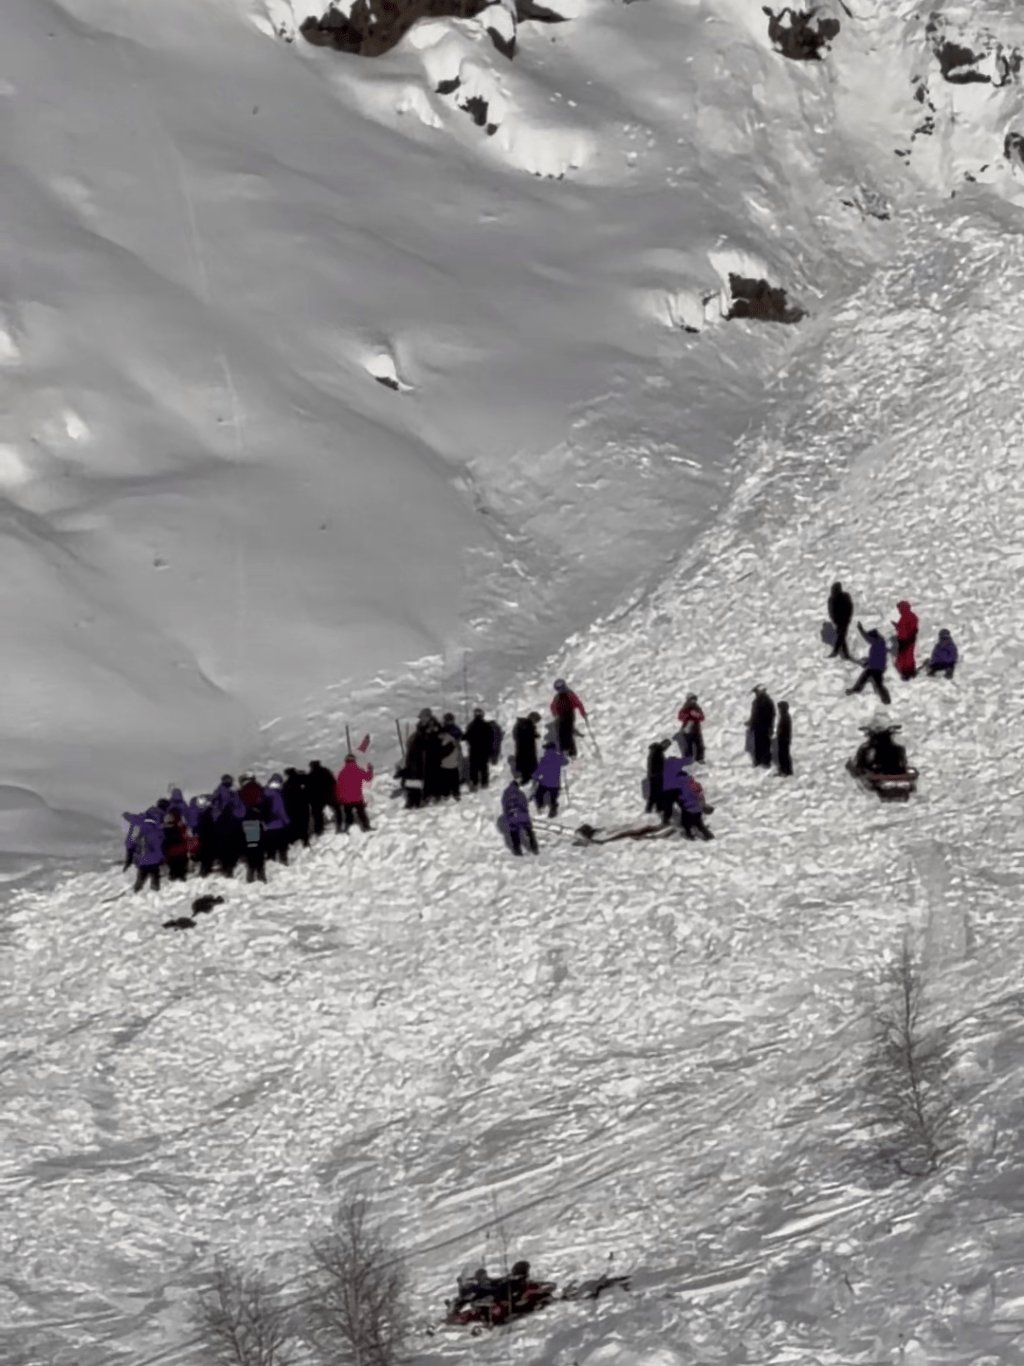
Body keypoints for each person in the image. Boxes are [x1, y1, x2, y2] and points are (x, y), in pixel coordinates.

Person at [846, 623, 892, 704]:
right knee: (877, 683)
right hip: (877, 667)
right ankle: (885, 698)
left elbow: (867, 638)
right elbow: (884, 652)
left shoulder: (877, 641)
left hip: (875, 667)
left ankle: (856, 690)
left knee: (867, 678)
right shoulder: (881, 642)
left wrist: (860, 629)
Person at [127, 809, 165, 893]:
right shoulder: (154, 833)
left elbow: (137, 848)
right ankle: (155, 892)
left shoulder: (141, 833)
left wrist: (136, 860)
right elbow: (157, 848)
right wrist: (161, 858)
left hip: (143, 861)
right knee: (155, 878)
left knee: (141, 879)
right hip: (154, 861)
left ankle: (136, 890)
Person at [550, 679, 587, 758]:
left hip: (568, 715)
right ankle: (564, 749)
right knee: (561, 730)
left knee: (567, 732)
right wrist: (555, 714)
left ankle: (571, 753)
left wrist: (583, 713)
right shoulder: (559, 696)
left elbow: (578, 704)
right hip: (561, 716)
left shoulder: (569, 694)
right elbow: (553, 706)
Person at [336, 753, 373, 831]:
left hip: (346, 799)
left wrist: (340, 798)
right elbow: (368, 778)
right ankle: (366, 827)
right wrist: (370, 769)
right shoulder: (358, 770)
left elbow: (338, 787)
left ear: (346, 761)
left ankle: (348, 829)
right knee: (361, 814)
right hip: (357, 797)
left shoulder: (342, 773)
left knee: (348, 815)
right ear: (354, 760)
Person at [501, 778, 539, 856]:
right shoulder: (520, 793)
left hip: (512, 816)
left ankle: (517, 850)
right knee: (529, 831)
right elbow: (525, 803)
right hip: (522, 815)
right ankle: (534, 847)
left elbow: (504, 805)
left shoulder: (505, 794)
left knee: (514, 833)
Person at [532, 741, 568, 818]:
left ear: (548, 749)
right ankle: (553, 807)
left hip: (545, 782)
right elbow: (566, 762)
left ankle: (540, 806)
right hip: (556, 783)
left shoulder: (544, 759)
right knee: (553, 797)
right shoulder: (558, 757)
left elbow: (539, 771)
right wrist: (563, 755)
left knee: (538, 794)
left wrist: (536, 778)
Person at [262, 774, 292, 863]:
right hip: (278, 824)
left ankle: (271, 860)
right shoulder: (277, 794)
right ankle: (283, 861)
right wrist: (287, 821)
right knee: (282, 846)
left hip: (266, 825)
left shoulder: (263, 792)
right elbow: (280, 810)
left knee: (270, 847)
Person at [678, 769, 714, 840]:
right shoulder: (696, 784)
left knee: (686, 824)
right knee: (699, 824)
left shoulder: (682, 787)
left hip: (689, 809)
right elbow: (701, 795)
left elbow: (681, 799)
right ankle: (710, 837)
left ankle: (689, 835)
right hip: (698, 808)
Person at [307, 758, 340, 834]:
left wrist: (310, 800)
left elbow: (308, 789)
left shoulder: (311, 775)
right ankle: (340, 824)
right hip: (329, 795)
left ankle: (319, 829)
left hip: (318, 798)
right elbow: (333, 782)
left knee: (317, 814)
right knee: (337, 809)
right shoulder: (326, 771)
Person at [465, 708, 495, 790]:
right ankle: (484, 783)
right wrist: (491, 750)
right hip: (483, 750)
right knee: (483, 767)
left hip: (474, 750)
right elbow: (491, 739)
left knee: (474, 768)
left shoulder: (471, 725)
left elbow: (466, 736)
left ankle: (475, 783)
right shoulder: (486, 725)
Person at [282, 767, 311, 848]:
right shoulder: (303, 780)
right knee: (304, 824)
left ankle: (294, 841)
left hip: (293, 808)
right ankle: (305, 841)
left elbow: (284, 797)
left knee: (295, 824)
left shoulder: (287, 784)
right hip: (304, 806)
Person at [748, 685, 775, 768]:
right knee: (759, 743)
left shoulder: (765, 701)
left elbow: (770, 715)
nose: (755, 694)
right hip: (759, 726)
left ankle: (764, 761)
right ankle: (759, 761)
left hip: (763, 726)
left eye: (756, 692)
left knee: (764, 744)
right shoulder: (759, 701)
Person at [162, 806, 191, 882]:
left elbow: (163, 840)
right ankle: (181, 878)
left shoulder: (165, 826)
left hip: (170, 852)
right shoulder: (181, 825)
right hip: (181, 851)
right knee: (181, 871)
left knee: (173, 870)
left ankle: (174, 877)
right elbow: (185, 837)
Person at [893, 599, 919, 680]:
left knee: (905, 658)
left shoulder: (908, 616)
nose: (899, 611)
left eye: (899, 609)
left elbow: (909, 629)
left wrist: (899, 628)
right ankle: (909, 671)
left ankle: (906, 673)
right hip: (905, 639)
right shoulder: (908, 616)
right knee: (907, 657)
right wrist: (897, 626)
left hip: (906, 640)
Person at [827, 581, 854, 660]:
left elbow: (850, 607)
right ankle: (845, 654)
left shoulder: (841, 597)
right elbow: (831, 610)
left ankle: (836, 651)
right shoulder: (835, 598)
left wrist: (848, 617)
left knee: (841, 635)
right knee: (842, 636)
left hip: (843, 620)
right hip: (840, 620)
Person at [512, 712, 542, 782]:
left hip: (521, 748)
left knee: (525, 765)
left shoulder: (520, 724)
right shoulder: (527, 725)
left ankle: (526, 779)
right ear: (532, 718)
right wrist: (534, 734)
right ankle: (526, 780)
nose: (536, 723)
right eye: (536, 720)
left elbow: (515, 735)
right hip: (527, 749)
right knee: (528, 766)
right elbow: (530, 734)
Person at [676, 694, 705, 762]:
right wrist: (688, 717)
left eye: (694, 700)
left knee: (699, 743)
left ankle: (699, 758)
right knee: (687, 744)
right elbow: (680, 717)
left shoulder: (697, 708)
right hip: (687, 728)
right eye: (692, 699)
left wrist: (696, 715)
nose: (693, 701)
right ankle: (688, 758)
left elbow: (702, 717)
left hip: (696, 728)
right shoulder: (684, 708)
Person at [438, 724, 463, 801]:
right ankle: (456, 794)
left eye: (439, 734)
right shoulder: (453, 740)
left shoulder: (445, 741)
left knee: (445, 781)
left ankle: (446, 794)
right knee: (455, 781)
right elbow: (458, 753)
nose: (438, 736)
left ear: (443, 734)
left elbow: (442, 753)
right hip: (454, 764)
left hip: (445, 765)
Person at [646, 739, 670, 814]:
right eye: (666, 746)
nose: (666, 748)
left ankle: (658, 809)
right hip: (655, 776)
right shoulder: (655, 750)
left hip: (657, 775)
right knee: (654, 794)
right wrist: (652, 773)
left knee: (659, 793)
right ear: (663, 743)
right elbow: (651, 763)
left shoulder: (659, 751)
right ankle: (649, 809)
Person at [775, 700, 793, 777]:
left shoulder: (785, 717)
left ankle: (785, 771)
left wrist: (779, 734)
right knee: (783, 754)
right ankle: (786, 771)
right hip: (784, 739)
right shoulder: (785, 716)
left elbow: (783, 729)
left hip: (784, 739)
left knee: (783, 755)